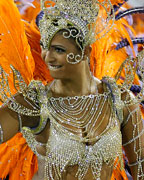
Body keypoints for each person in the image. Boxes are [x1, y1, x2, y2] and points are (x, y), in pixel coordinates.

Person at [0, 0, 144, 179]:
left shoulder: (120, 100)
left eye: (58, 50)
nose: (48, 57)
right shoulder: (36, 102)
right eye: (45, 47)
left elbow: (140, 167)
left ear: (85, 52)